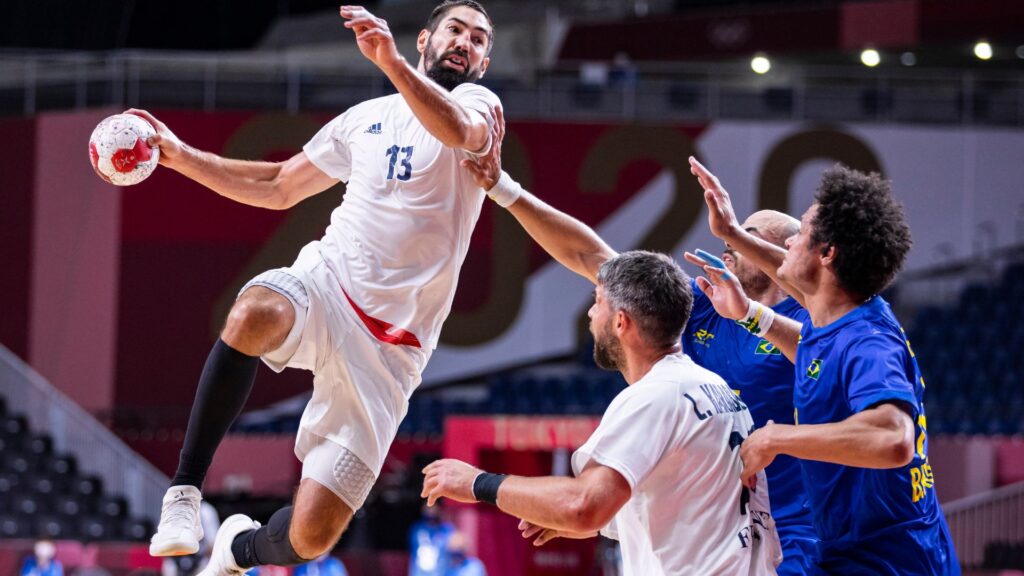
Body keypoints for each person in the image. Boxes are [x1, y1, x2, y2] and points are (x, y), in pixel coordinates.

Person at [138, 2, 502, 574]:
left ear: (484, 62)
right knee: (254, 311)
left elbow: (454, 130)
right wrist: (183, 158)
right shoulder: (364, 119)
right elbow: (280, 184)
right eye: (456, 30)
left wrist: (393, 62)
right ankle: (183, 493)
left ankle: (236, 551)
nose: (466, 42)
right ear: (429, 37)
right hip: (328, 286)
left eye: (479, 39)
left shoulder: (481, 106)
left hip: (392, 350)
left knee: (311, 538)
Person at [421, 114, 781, 575]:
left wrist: (477, 482)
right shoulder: (716, 387)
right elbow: (659, 503)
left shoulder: (656, 396)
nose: (590, 314)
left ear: (623, 322)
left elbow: (584, 505)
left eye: (596, 303)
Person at [684, 157, 958, 574]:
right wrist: (734, 242)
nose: (789, 243)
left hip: (892, 559)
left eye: (802, 233)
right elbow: (811, 344)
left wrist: (778, 438)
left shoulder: (867, 341)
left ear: (827, 254)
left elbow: (894, 438)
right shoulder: (838, 315)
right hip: (856, 547)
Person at [682, 213, 818, 575]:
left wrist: (751, 315)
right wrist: (511, 193)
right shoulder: (703, 301)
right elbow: (597, 261)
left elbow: (824, 356)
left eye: (746, 237)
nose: (731, 245)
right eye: (730, 238)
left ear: (780, 253)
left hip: (791, 526)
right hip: (710, 524)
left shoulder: (816, 320)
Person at [409, 504, 456, 576]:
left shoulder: (447, 530)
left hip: (441, 572)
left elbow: (455, 548)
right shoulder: (417, 529)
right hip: (419, 572)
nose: (431, 512)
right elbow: (413, 552)